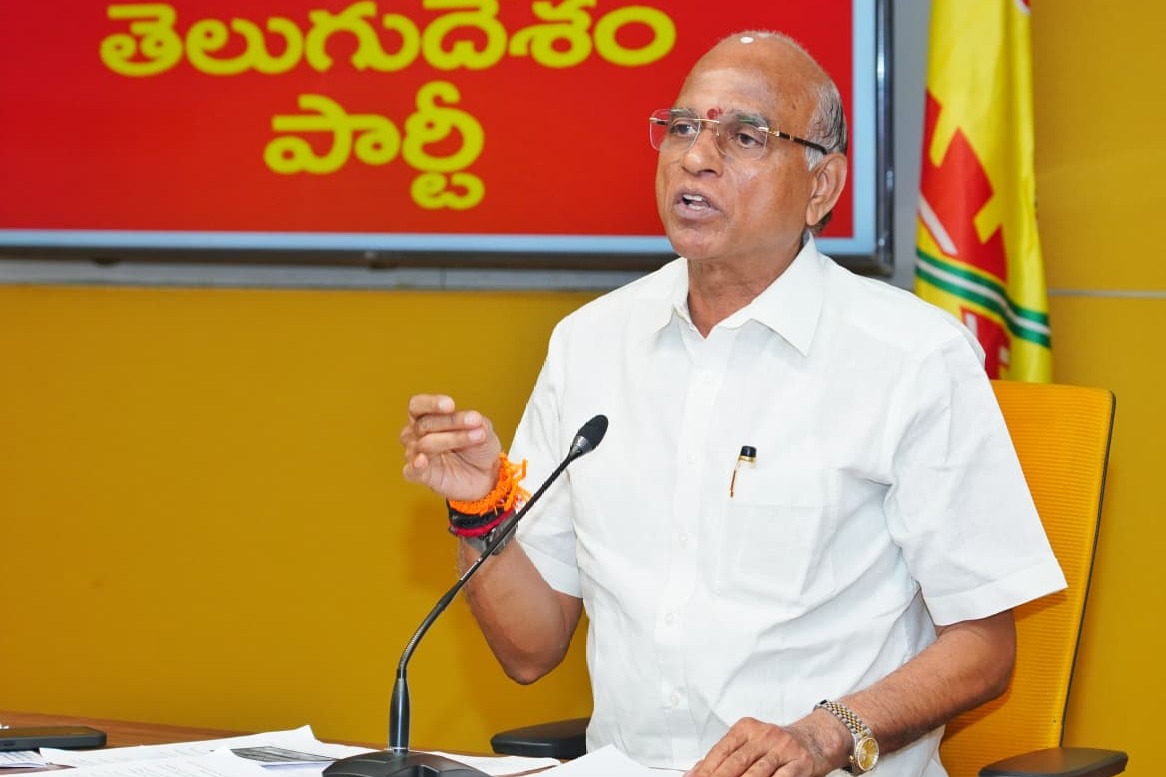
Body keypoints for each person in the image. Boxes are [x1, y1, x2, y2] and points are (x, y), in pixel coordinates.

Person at [399, 30, 1066, 777]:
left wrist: (826, 733)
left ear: (822, 186)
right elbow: (531, 648)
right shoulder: (589, 344)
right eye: (682, 127)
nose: (695, 157)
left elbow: (985, 648)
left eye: (744, 136)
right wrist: (481, 509)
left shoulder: (910, 356)